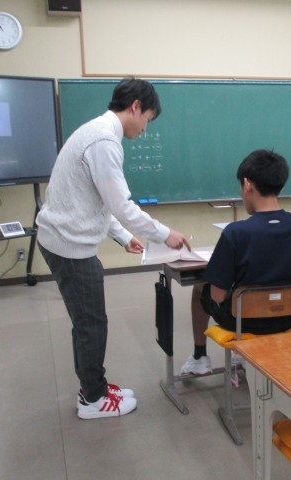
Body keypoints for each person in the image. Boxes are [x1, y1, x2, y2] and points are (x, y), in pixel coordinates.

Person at [36, 77, 191, 419]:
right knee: (91, 324)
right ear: (135, 107)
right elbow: (121, 205)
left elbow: (97, 199)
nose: (145, 129)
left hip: (64, 239)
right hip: (69, 246)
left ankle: (95, 387)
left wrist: (122, 237)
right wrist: (164, 234)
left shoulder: (97, 132)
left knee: (87, 321)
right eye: (147, 119)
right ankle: (93, 399)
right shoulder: (104, 140)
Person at [180, 149, 291, 375]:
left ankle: (200, 357)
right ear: (281, 185)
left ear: (247, 185)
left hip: (243, 321)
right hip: (288, 317)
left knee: (201, 288)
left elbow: (218, 296)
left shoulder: (236, 233)